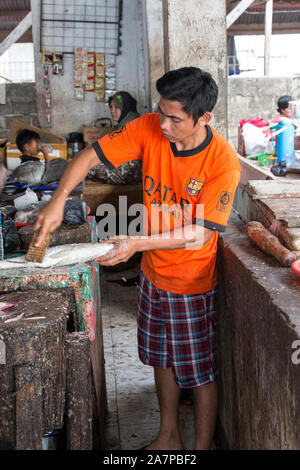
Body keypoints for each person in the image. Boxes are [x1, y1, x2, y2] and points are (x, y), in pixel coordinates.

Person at [34, 67, 241, 450]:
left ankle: (198, 450)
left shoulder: (222, 162)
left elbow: (200, 233)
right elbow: (89, 157)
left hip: (190, 283)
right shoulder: (148, 127)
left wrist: (136, 243)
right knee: (159, 357)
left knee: (198, 374)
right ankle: (168, 436)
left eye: (174, 118)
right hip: (153, 275)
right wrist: (57, 200)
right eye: (160, 112)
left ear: (204, 117)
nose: (163, 124)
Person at [87, 91, 142, 184]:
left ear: (126, 108)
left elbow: (126, 168)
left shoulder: (133, 128)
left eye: (116, 107)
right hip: (124, 174)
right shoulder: (122, 127)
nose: (112, 111)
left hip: (131, 176)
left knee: (85, 168)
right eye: (111, 107)